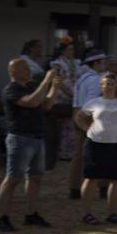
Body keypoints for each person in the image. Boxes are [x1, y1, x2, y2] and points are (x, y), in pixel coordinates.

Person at [0, 58, 61, 231]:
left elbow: (46, 105)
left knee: (35, 178)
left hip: (36, 137)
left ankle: (31, 214)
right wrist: (46, 81)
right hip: (20, 138)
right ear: (13, 72)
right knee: (13, 179)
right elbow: (31, 102)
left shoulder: (30, 87)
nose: (28, 71)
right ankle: (2, 217)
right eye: (23, 68)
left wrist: (54, 86)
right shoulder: (11, 90)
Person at [73, 70, 117, 224]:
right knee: (91, 178)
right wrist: (87, 129)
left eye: (112, 84)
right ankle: (87, 213)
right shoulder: (94, 102)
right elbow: (79, 116)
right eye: (107, 84)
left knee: (116, 179)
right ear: (101, 86)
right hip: (96, 143)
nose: (110, 87)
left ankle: (112, 213)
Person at [68, 49, 109, 199]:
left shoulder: (83, 78)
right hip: (89, 116)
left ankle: (74, 188)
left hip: (77, 112)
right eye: (103, 62)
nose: (105, 64)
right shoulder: (94, 79)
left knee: (78, 154)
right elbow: (92, 102)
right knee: (102, 152)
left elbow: (76, 100)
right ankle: (103, 187)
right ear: (96, 63)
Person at [47, 38, 78, 171]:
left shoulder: (75, 63)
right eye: (69, 49)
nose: (72, 52)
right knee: (62, 124)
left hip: (72, 93)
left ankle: (69, 151)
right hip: (63, 94)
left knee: (70, 123)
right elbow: (59, 80)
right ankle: (62, 151)